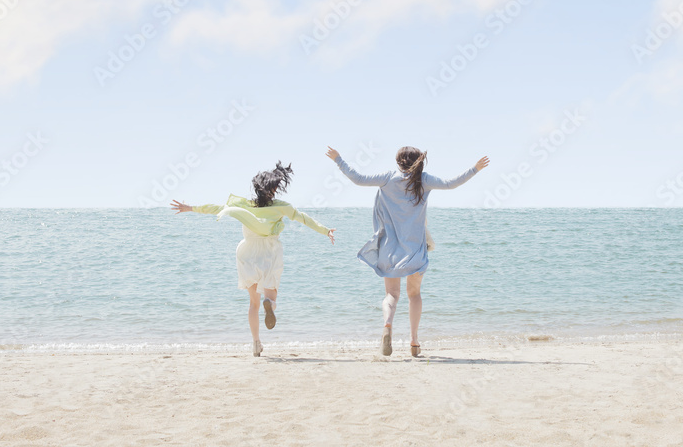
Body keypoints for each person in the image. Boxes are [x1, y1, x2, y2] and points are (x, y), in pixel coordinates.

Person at [326, 146, 488, 357]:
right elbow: (451, 184)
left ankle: (387, 325)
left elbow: (357, 178)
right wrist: (475, 169)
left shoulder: (387, 178)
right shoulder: (424, 180)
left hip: (388, 250)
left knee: (391, 295)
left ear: (398, 162)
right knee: (414, 294)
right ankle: (413, 342)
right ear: (418, 162)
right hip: (415, 251)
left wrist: (338, 159)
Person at [171, 162, 335, 357]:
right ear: (274, 189)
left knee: (253, 303)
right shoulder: (281, 207)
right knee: (270, 296)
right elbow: (304, 219)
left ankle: (256, 343)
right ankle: (270, 305)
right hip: (270, 251)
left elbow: (217, 209)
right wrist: (325, 231)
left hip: (247, 252)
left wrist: (190, 208)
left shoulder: (245, 205)